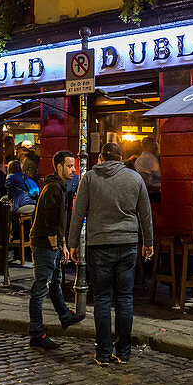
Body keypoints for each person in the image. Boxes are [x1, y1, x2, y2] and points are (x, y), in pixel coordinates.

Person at [69, 143, 153, 366]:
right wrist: (149, 243)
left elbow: (79, 212)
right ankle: (123, 352)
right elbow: (145, 213)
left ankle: (104, 352)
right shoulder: (135, 179)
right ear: (121, 157)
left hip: (99, 245)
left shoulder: (89, 178)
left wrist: (73, 242)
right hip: (128, 243)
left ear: (101, 158)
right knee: (125, 298)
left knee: (102, 299)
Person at [28, 150, 83, 349]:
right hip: (44, 244)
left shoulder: (60, 187)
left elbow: (60, 221)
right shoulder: (53, 188)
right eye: (69, 166)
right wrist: (55, 245)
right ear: (59, 167)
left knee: (55, 282)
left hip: (52, 244)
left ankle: (65, 316)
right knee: (40, 287)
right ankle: (36, 333)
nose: (73, 169)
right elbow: (49, 220)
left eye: (73, 165)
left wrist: (62, 245)